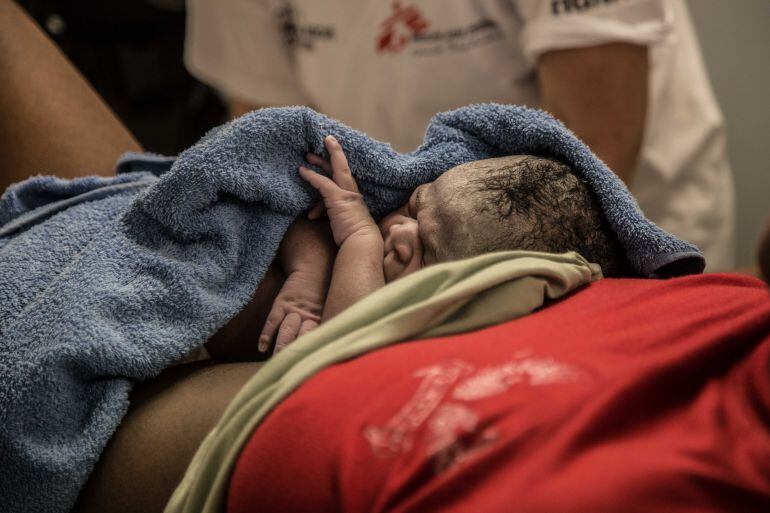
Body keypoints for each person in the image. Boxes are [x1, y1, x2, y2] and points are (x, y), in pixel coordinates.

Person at [185, 0, 735, 270]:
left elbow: (596, 144)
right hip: (372, 239)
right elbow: (270, 142)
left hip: (600, 224)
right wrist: (325, 267)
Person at [205, 135, 629, 359]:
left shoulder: (407, 329)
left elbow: (345, 347)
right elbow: (286, 213)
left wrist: (359, 239)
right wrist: (309, 270)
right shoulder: (359, 211)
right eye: (413, 206)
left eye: (429, 252)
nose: (399, 233)